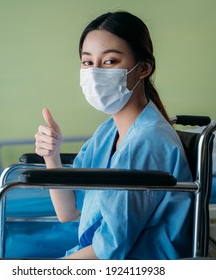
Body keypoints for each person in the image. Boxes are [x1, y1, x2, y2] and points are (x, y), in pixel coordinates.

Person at [35, 11, 193, 259]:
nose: (95, 73)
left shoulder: (147, 141)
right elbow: (68, 212)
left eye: (109, 62)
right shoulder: (108, 132)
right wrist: (51, 156)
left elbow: (110, 248)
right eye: (88, 63)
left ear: (143, 68)